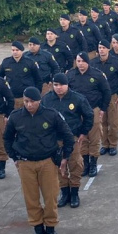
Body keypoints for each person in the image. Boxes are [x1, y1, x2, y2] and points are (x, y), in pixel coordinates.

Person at [4, 87, 75, 234]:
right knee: (31, 199)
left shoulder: (51, 115)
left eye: (32, 102)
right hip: (26, 163)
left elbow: (68, 136)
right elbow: (7, 138)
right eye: (26, 101)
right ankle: (38, 230)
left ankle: (50, 229)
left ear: (39, 101)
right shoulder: (16, 117)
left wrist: (65, 157)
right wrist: (14, 157)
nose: (28, 105)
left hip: (47, 163)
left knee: (50, 197)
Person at [41, 73, 93, 208]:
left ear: (67, 85)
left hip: (72, 138)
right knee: (58, 166)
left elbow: (88, 115)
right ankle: (64, 193)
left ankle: (74, 192)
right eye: (55, 85)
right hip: (54, 140)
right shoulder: (47, 99)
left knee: (75, 164)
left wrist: (83, 132)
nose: (58, 88)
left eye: (61, 85)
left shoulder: (77, 98)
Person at [66, 52, 111, 178]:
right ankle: (85, 163)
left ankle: (93, 163)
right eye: (78, 61)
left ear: (87, 62)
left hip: (93, 110)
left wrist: (102, 109)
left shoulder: (97, 75)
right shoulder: (70, 75)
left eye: (82, 61)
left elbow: (106, 92)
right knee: (82, 138)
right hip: (76, 112)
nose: (80, 64)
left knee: (94, 137)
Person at [91, 40, 118, 156]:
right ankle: (105, 144)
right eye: (99, 47)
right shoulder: (93, 63)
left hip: (113, 96)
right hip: (99, 97)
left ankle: (113, 144)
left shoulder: (116, 63)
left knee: (113, 121)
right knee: (101, 121)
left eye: (103, 47)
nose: (101, 50)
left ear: (108, 49)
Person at [0, 41, 41, 109]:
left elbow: (38, 79)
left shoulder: (30, 62)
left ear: (22, 51)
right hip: (11, 97)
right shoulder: (6, 62)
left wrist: (36, 94)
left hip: (27, 97)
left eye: (17, 50)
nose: (15, 52)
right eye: (13, 50)